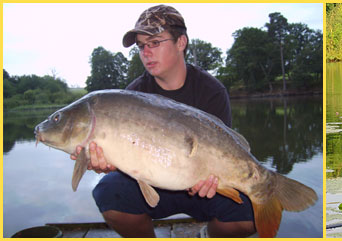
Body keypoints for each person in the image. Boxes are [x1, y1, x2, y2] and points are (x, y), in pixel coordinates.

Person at [70, 5, 256, 238]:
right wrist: (109, 163)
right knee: (108, 192)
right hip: (153, 185)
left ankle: (208, 235)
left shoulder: (212, 91)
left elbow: (225, 151)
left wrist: (213, 179)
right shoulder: (133, 95)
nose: (146, 52)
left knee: (249, 217)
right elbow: (130, 159)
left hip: (202, 189)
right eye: (141, 46)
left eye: (155, 43)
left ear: (181, 42)